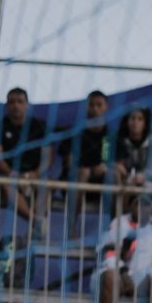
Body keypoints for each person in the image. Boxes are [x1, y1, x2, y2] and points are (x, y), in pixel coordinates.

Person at [95, 192, 152, 303]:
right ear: (132, 206)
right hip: (120, 276)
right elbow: (106, 251)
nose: (143, 208)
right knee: (110, 277)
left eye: (147, 205)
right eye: (139, 204)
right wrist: (123, 271)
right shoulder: (119, 222)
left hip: (144, 278)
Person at [0, 87, 52, 238]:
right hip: (9, 175)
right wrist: (12, 173)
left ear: (27, 105)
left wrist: (34, 174)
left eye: (20, 102)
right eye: (11, 102)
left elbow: (48, 156)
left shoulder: (39, 126)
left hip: (34, 176)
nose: (15, 105)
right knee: (4, 182)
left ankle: (36, 223)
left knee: (48, 183)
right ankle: (36, 221)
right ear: (6, 105)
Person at [59, 90, 112, 236]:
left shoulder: (110, 135)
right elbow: (68, 161)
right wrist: (87, 169)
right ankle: (71, 226)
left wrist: (105, 167)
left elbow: (116, 162)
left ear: (106, 107)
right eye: (91, 105)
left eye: (99, 105)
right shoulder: (75, 131)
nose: (95, 108)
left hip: (101, 186)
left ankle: (116, 228)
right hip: (74, 182)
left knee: (115, 175)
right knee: (82, 173)